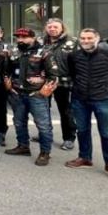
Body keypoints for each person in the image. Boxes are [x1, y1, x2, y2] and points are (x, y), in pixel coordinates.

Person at [4, 27, 58, 166]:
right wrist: (8, 83)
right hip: (17, 94)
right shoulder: (13, 51)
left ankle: (45, 153)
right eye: (18, 37)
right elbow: (6, 70)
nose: (20, 40)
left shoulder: (44, 52)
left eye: (24, 37)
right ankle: (23, 146)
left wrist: (45, 90)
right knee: (19, 122)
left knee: (43, 125)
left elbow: (53, 75)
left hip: (36, 95)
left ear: (33, 38)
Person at [65, 28, 108, 173]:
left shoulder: (105, 53)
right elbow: (72, 74)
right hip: (79, 99)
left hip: (103, 98)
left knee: (106, 132)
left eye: (89, 38)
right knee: (82, 130)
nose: (86, 41)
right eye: (83, 38)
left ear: (97, 38)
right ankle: (85, 158)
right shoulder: (74, 56)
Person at [42, 18, 78, 150]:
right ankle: (45, 134)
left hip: (64, 82)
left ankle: (69, 138)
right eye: (50, 27)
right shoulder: (41, 42)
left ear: (62, 28)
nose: (52, 29)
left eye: (55, 27)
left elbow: (79, 62)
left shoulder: (73, 42)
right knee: (43, 110)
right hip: (45, 82)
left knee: (65, 111)